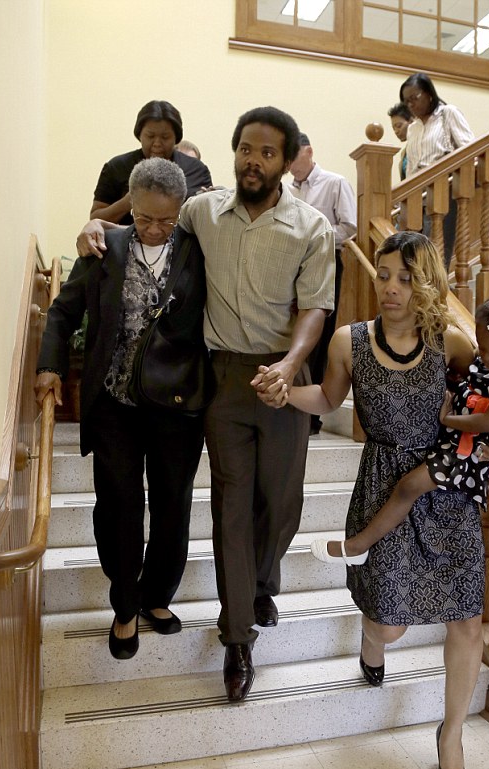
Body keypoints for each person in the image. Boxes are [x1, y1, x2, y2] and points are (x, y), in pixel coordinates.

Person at [76, 106, 336, 701]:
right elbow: (147, 218)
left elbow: (316, 307)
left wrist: (291, 365)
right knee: (231, 506)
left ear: (287, 159)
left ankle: (263, 580)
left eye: (267, 152)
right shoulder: (201, 211)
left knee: (281, 502)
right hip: (222, 379)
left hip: (285, 378)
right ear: (234, 151)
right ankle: (237, 637)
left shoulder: (313, 228)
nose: (254, 159)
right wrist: (96, 227)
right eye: (246, 148)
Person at [255, 230, 489, 769]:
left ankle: (452, 734)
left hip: (446, 490)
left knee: (465, 618)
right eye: (385, 274)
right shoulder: (348, 341)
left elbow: (485, 402)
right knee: (392, 620)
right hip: (381, 486)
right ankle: (372, 639)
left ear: (427, 283)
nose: (391, 288)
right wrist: (287, 393)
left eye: (407, 279)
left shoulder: (452, 344)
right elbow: (329, 401)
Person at [36, 158, 208, 660]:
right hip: (115, 405)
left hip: (177, 404)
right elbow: (63, 310)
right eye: (145, 218)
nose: (155, 230)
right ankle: (125, 604)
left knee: (173, 504)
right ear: (130, 206)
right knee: (119, 507)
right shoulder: (103, 247)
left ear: (181, 211)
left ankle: (158, 597)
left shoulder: (199, 252)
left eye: (166, 221)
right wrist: (49, 365)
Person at [311, 292, 489, 563]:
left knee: (408, 487)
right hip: (456, 438)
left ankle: (357, 546)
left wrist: (447, 419)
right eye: (482, 346)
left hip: (466, 449)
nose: (486, 357)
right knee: (408, 488)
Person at [289, 131, 357, 433]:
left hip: (328, 263)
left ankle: (313, 417)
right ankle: (293, 404)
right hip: (294, 267)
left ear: (309, 151)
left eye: (294, 157)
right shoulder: (288, 190)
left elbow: (349, 226)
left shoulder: (335, 182)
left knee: (319, 333)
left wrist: (314, 235)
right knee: (293, 333)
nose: (291, 166)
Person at [91, 100, 212, 225]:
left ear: (176, 138)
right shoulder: (117, 167)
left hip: (182, 244)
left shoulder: (196, 170)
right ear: (140, 135)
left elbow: (206, 222)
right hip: (126, 243)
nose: (157, 143)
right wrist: (128, 202)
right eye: (150, 136)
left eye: (165, 137)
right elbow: (95, 219)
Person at [399, 73, 474, 271]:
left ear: (429, 94)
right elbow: (411, 166)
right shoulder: (413, 128)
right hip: (417, 194)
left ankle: (436, 296)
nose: (411, 105)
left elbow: (469, 149)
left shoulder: (448, 113)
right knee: (414, 255)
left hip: (443, 189)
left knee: (436, 253)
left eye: (414, 98)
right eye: (406, 102)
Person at [387, 102, 414, 181]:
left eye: (399, 126)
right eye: (393, 128)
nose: (396, 131)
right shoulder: (404, 153)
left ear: (412, 121)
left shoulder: (423, 144)